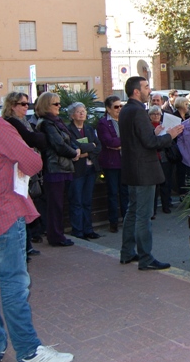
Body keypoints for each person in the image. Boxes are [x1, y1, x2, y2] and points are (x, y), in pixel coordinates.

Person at [0, 65, 73, 362]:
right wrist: (16, 164)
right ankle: (28, 350)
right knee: (14, 284)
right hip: (3, 211)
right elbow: (33, 162)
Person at [119, 76, 183, 271]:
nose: (149, 90)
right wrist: (168, 136)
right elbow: (150, 143)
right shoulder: (138, 111)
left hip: (132, 168)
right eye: (146, 87)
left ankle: (127, 252)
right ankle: (145, 258)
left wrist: (155, 134)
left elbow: (140, 139)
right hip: (143, 170)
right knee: (143, 215)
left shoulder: (126, 110)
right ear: (136, 91)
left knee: (133, 211)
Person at [2, 92, 47, 257]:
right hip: (17, 171)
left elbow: (39, 139)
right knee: (22, 207)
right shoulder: (12, 122)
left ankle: (27, 244)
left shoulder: (24, 122)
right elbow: (33, 139)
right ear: (12, 105)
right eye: (23, 104)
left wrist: (38, 138)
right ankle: (23, 246)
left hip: (27, 170)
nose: (26, 107)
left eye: (28, 104)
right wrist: (38, 137)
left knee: (28, 205)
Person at [34, 93, 79, 248]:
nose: (59, 106)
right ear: (47, 105)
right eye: (55, 104)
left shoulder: (56, 122)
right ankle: (55, 236)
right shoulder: (47, 123)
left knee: (59, 204)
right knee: (55, 205)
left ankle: (58, 234)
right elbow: (58, 144)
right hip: (54, 168)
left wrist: (75, 149)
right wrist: (74, 153)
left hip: (62, 167)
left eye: (59, 103)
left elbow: (69, 140)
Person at [65, 102, 101, 240]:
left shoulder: (89, 129)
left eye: (83, 111)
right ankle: (78, 231)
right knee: (76, 201)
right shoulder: (69, 130)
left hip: (90, 169)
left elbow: (98, 146)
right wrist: (88, 147)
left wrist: (85, 152)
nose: (82, 113)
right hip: (77, 171)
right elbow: (76, 146)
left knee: (87, 201)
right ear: (72, 115)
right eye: (79, 111)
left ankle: (88, 229)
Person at [97, 95, 127, 233]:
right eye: (116, 107)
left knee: (125, 192)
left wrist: (120, 143)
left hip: (125, 161)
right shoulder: (103, 123)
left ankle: (127, 220)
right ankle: (113, 222)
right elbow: (109, 142)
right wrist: (123, 142)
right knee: (113, 193)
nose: (119, 109)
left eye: (121, 106)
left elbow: (131, 138)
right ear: (108, 109)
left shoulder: (125, 120)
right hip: (111, 163)